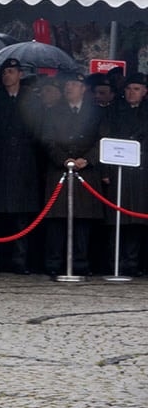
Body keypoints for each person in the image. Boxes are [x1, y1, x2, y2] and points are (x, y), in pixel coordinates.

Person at [0, 58, 42, 274]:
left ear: (20, 75)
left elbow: (38, 131)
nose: (7, 75)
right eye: (5, 72)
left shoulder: (32, 101)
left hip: (23, 163)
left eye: (12, 71)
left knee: (21, 217)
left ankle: (20, 261)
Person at [41, 72, 102, 276]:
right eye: (67, 84)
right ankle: (54, 263)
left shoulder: (96, 112)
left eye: (74, 84)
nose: (69, 87)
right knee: (57, 221)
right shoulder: (53, 111)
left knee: (82, 221)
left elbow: (103, 139)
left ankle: (80, 263)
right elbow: (47, 139)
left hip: (86, 170)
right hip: (60, 169)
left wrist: (87, 159)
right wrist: (64, 160)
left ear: (83, 89)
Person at [99, 73, 148, 275]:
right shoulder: (113, 111)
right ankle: (115, 263)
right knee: (116, 220)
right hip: (118, 169)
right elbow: (103, 139)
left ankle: (132, 262)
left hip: (141, 172)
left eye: (136, 89)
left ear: (144, 92)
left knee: (136, 221)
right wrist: (105, 170)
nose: (131, 93)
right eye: (128, 89)